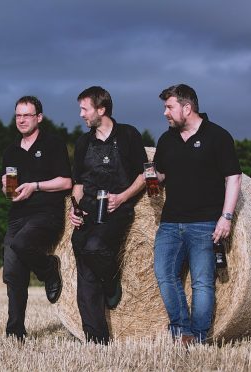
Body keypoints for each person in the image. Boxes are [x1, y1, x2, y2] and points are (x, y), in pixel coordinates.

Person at [153, 84, 242, 346]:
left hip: (205, 223)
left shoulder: (218, 136)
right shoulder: (166, 139)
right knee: (163, 273)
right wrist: (152, 177)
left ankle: (199, 337)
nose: (165, 113)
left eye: (169, 107)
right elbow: (160, 176)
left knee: (202, 283)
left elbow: (233, 178)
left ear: (187, 108)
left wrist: (226, 217)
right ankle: (182, 329)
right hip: (169, 222)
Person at [69, 86, 147, 344]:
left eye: (84, 109)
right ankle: (96, 340)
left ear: (101, 110)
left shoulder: (128, 135)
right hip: (89, 208)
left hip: (117, 209)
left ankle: (111, 279)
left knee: (94, 246)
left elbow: (145, 173)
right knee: (80, 251)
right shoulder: (83, 143)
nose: (81, 114)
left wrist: (122, 197)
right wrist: (74, 208)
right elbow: (78, 184)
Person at [1, 95, 72, 341]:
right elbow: (9, 188)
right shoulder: (10, 151)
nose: (21, 120)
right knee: (12, 273)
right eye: (18, 115)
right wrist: (6, 188)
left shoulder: (53, 144)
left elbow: (66, 182)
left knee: (22, 244)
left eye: (26, 115)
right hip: (17, 216)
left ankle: (49, 269)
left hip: (46, 213)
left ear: (38, 118)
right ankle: (15, 332)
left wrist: (35, 186)